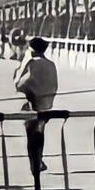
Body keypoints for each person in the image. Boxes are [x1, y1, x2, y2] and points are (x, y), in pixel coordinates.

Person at [14, 37, 57, 174]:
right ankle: (39, 160)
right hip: (46, 105)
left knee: (31, 136)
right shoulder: (51, 64)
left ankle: (34, 162)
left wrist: (23, 63)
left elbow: (19, 84)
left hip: (32, 105)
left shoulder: (32, 64)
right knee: (40, 134)